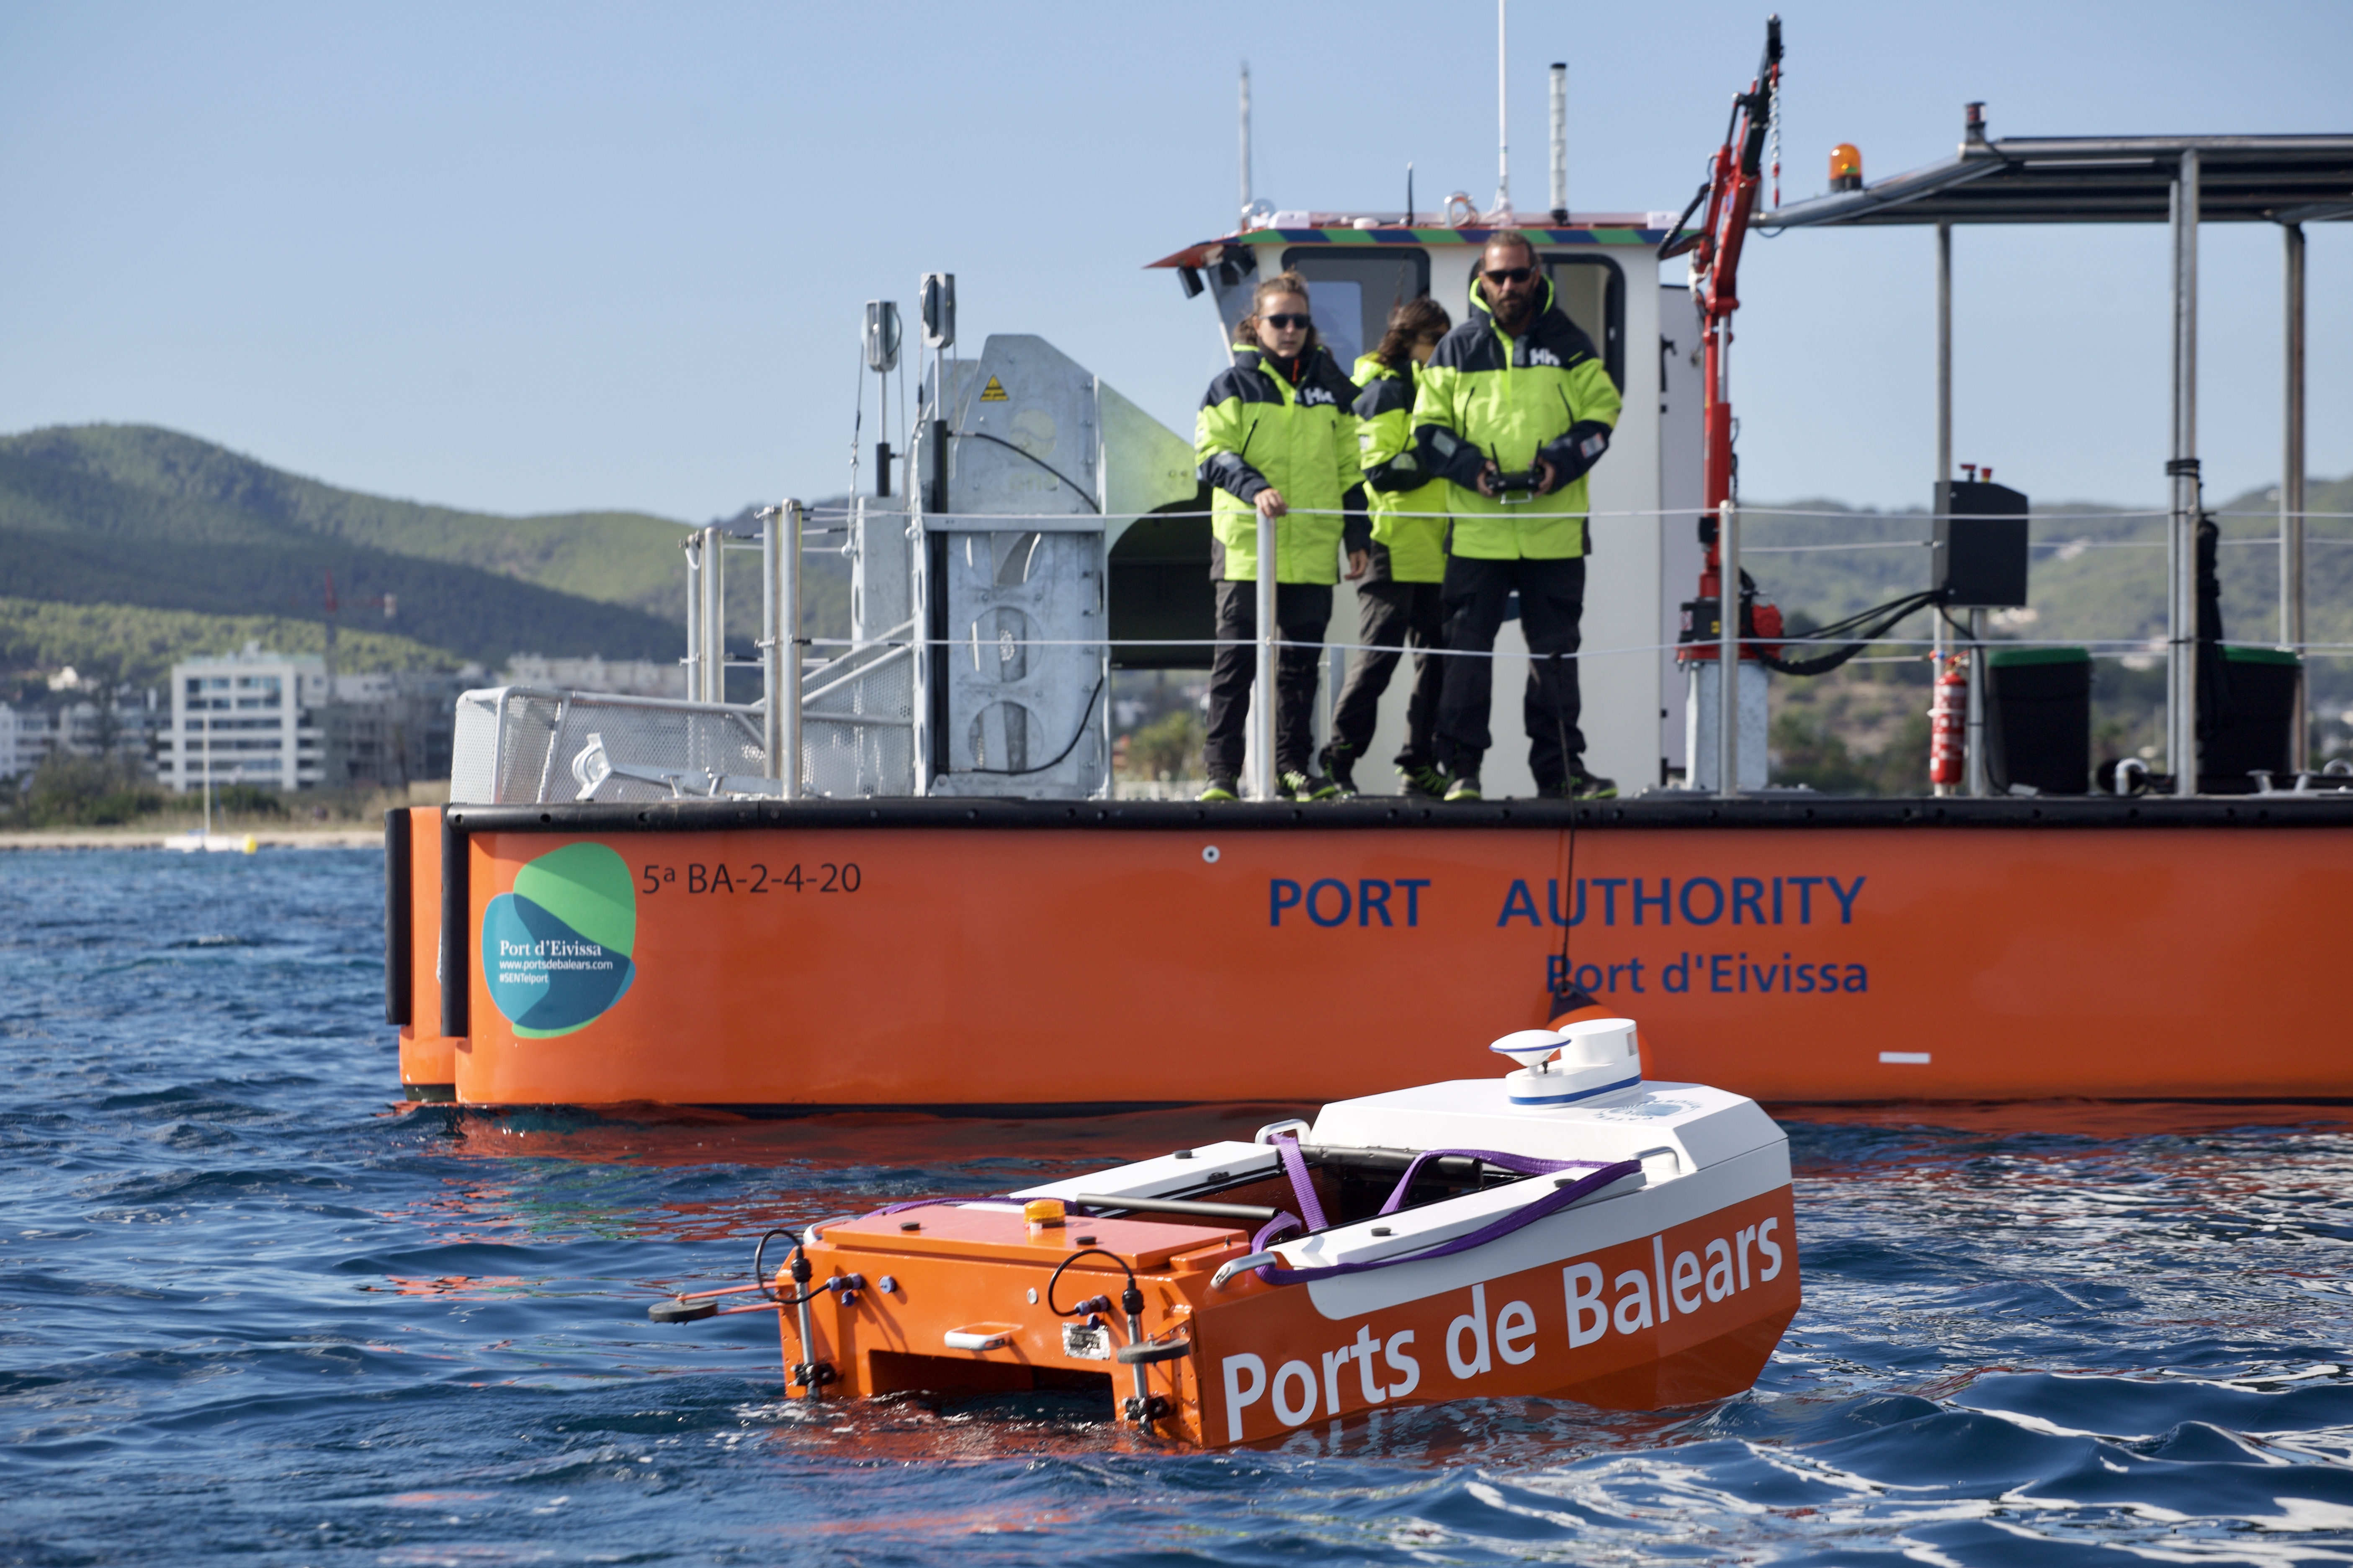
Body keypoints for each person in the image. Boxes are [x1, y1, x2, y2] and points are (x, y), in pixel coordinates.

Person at [1410, 231, 1623, 801]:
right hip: (1478, 537)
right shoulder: (1455, 348)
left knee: (1554, 660)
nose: (1509, 286)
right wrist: (1469, 468)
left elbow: (1603, 415)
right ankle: (1461, 772)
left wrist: (1559, 463)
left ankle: (1562, 774)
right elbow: (1426, 430)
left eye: (1519, 275)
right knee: (1466, 659)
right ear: (1481, 278)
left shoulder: (1570, 342)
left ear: (1538, 275)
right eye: (1498, 276)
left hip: (1554, 537)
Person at [1193, 270, 1369, 802]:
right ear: (1256, 325)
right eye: (1279, 320)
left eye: (1299, 320)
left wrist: (1357, 535)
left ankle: (1292, 768)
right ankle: (1221, 773)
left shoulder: (1332, 390)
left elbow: (1349, 469)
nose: (1289, 329)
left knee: (1298, 671)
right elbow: (1212, 454)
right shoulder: (1231, 386)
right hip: (1248, 548)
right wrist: (1256, 488)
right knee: (1235, 665)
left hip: (1312, 549)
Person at [1318, 296, 1455, 799]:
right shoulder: (1383, 388)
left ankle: (1417, 761)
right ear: (1408, 340)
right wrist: (1444, 453)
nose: (1442, 350)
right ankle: (1337, 761)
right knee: (1376, 663)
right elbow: (1380, 469)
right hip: (1392, 542)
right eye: (1434, 340)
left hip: (1436, 545)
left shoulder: (1425, 386)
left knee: (1437, 663)